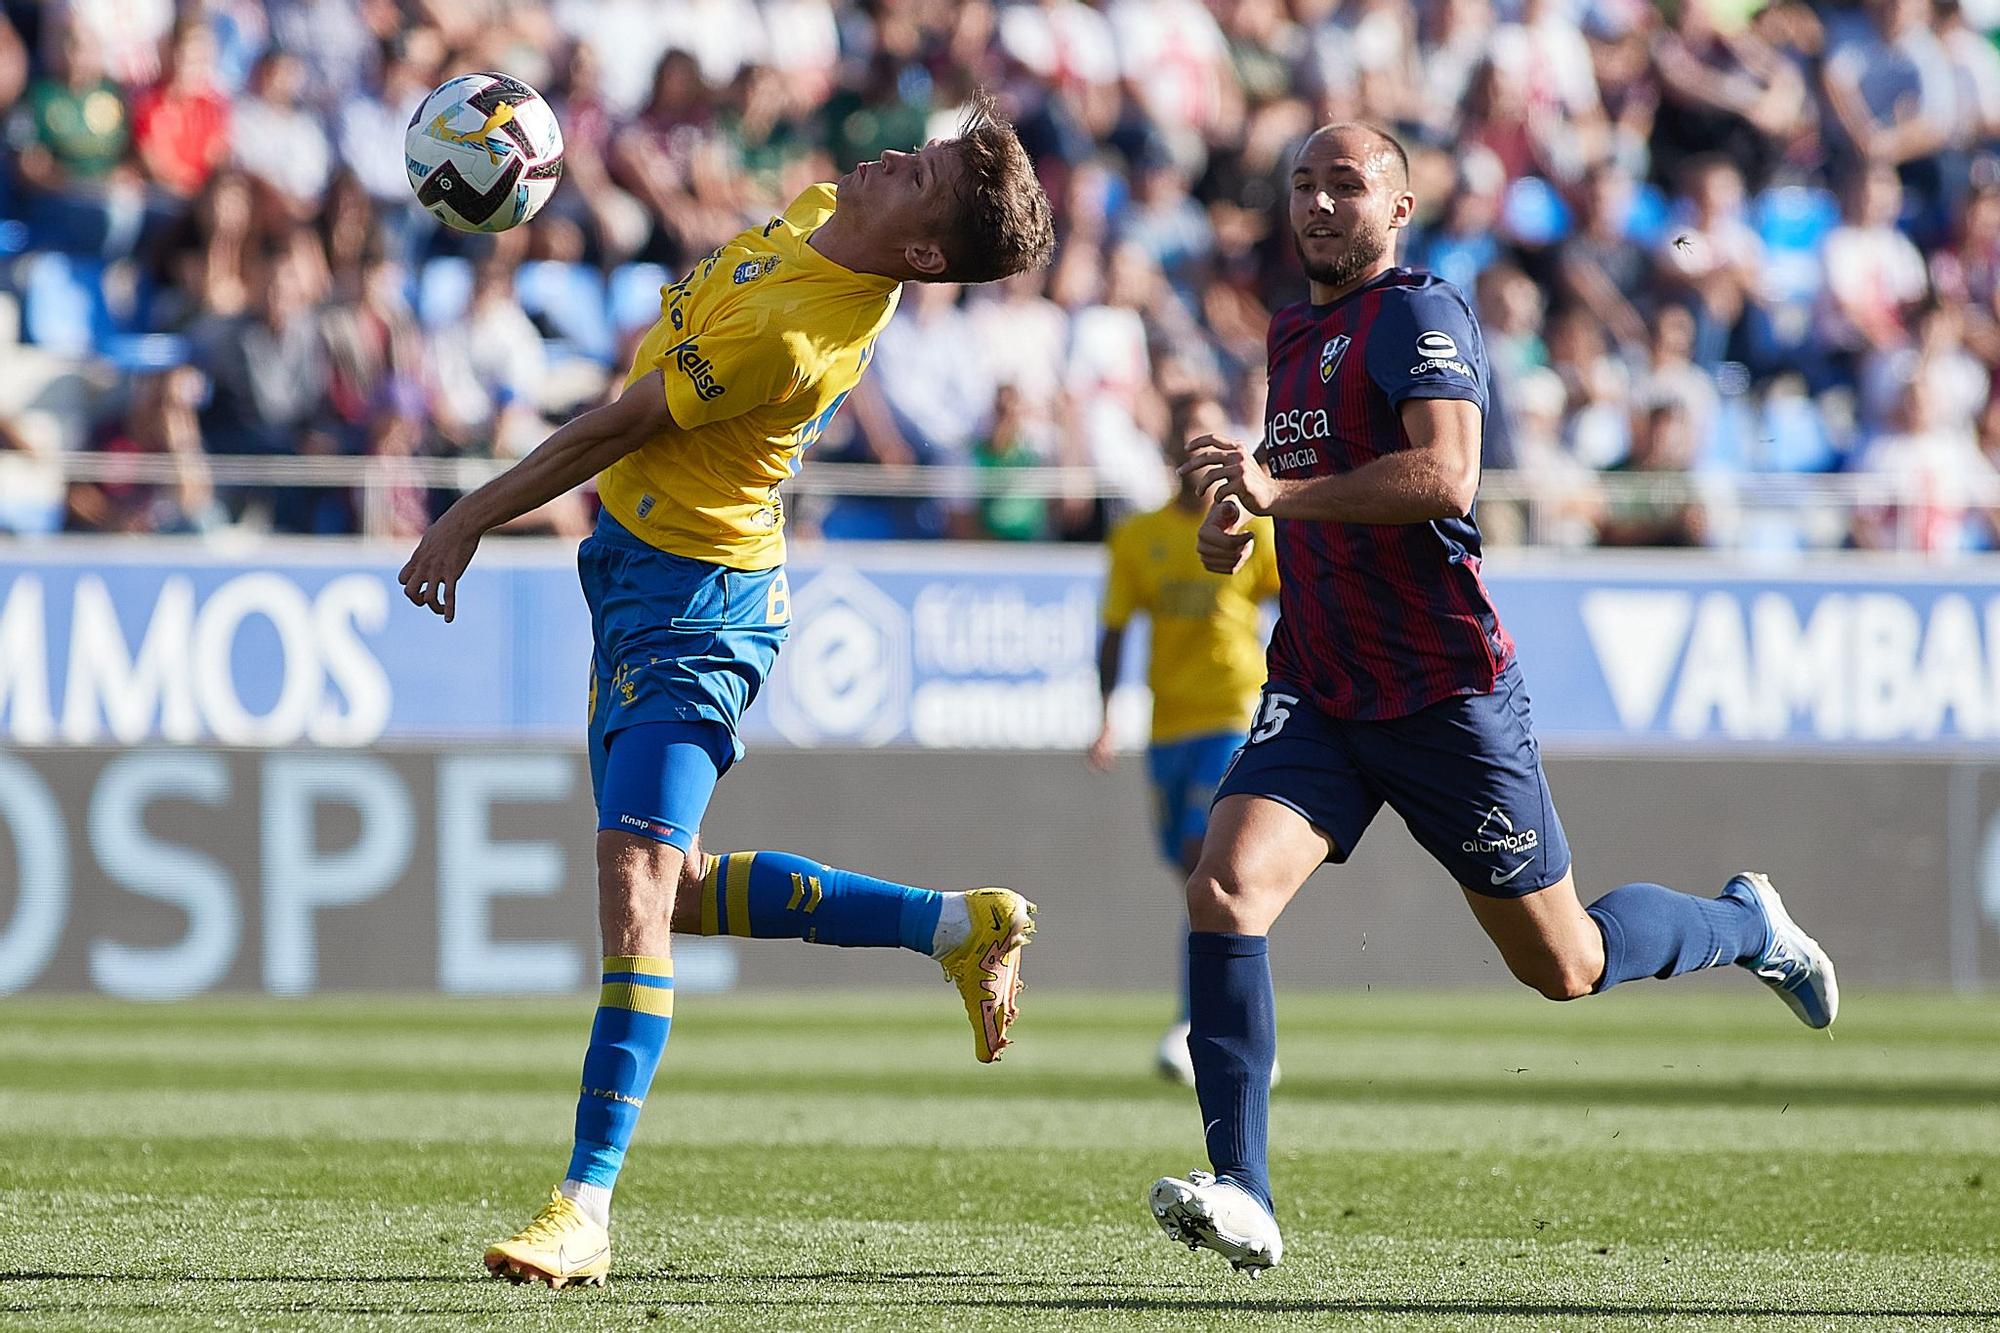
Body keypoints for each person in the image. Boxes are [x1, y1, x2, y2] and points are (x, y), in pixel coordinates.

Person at [1145, 122, 1839, 1278]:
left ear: (1399, 205)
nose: (1316, 204)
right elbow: (1300, 476)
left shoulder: (1420, 314)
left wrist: (1281, 491)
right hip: (1320, 682)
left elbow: (1442, 476)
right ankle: (1244, 1189)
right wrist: (1239, 518)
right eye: (1301, 184)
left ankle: (1744, 924)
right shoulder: (1290, 325)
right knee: (1221, 888)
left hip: (1441, 693)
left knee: (1562, 964)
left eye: (1345, 185)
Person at [397, 94, 1056, 1290]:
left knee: (632, 879)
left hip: (701, 606)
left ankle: (584, 1204)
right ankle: (956, 925)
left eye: (921, 174)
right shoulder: (819, 216)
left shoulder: (797, 337)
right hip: (636, 576)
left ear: (920, 250)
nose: (891, 155)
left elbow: (615, 426)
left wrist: (468, 514)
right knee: (680, 891)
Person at [1088, 390, 1278, 1084]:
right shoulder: (1138, 538)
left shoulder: (1253, 529)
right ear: (1170, 449)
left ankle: (1201, 1025)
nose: (1195, 449)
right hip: (1166, 726)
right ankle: (1243, 1022)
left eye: (1207, 434)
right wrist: (1107, 713)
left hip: (1233, 713)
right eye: (1184, 435)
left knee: (1210, 862)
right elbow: (1114, 630)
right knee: (1194, 882)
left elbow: (1297, 604)